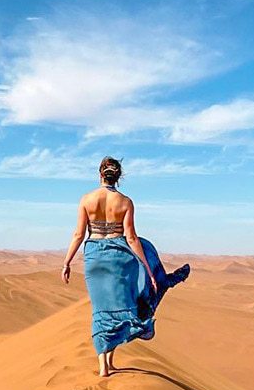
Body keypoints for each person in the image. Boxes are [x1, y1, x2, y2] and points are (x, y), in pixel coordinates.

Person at [61, 156, 190, 377]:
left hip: (94, 258)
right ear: (118, 177)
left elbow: (78, 234)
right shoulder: (125, 202)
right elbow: (131, 238)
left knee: (100, 310)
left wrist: (67, 262)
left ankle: (103, 366)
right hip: (119, 258)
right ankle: (110, 361)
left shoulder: (86, 199)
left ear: (100, 173)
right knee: (118, 307)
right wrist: (148, 270)